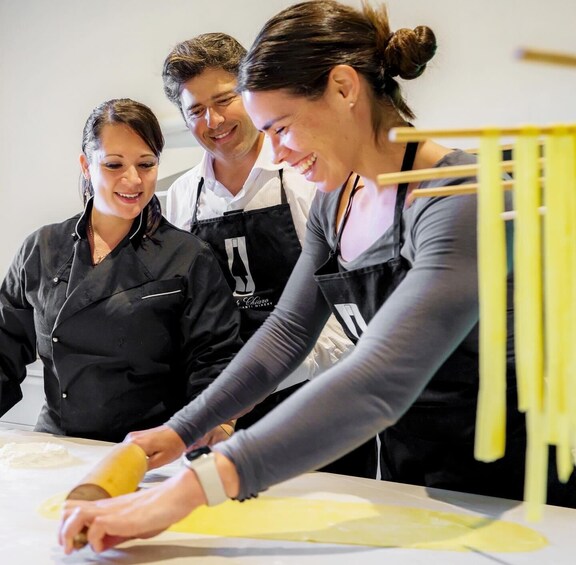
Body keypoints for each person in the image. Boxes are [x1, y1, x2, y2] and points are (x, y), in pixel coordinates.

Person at [59, 0, 576, 554]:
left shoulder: (462, 196)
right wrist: (180, 430)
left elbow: (380, 379)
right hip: (409, 468)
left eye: (281, 128)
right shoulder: (337, 203)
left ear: (344, 88)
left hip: (520, 483)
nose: (279, 152)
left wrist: (190, 490)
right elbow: (285, 334)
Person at [160, 32, 361, 473]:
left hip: (322, 402)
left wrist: (256, 383)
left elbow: (349, 314)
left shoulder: (310, 174)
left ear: (250, 93)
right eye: (196, 110)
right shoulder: (181, 198)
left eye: (224, 100)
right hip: (223, 413)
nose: (213, 120)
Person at [0, 98, 243, 443]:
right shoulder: (42, 248)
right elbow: (4, 345)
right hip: (57, 445)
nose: (133, 179)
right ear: (86, 165)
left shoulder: (188, 256)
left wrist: (210, 429)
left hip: (147, 449)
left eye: (146, 164)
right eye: (114, 164)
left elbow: (214, 360)